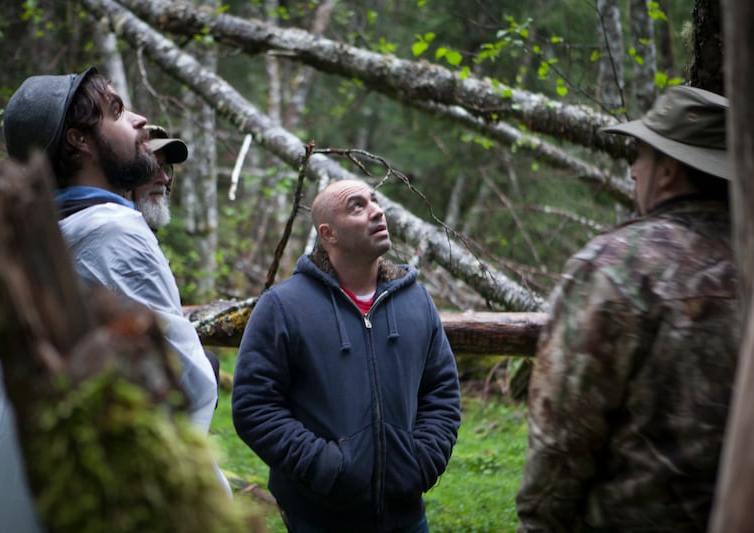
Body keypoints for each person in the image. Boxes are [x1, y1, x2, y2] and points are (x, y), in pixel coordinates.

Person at [0, 68, 230, 533]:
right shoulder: (113, 234)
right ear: (79, 140)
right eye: (117, 111)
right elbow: (184, 384)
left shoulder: (44, 240)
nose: (139, 121)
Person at [515, 85, 739, 531]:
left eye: (640, 156)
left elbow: (562, 438)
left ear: (669, 169)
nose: (635, 172)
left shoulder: (617, 266)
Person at [231, 179, 461, 532]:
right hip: (319, 517)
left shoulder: (417, 301)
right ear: (329, 233)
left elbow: (441, 391)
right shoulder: (283, 306)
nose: (377, 210)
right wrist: (326, 467)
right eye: (357, 206)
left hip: (407, 517)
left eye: (374, 201)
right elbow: (254, 406)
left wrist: (421, 461)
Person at [130, 124, 222, 399]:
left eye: (166, 169)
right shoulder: (117, 236)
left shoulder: (142, 235)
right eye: (151, 167)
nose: (164, 179)